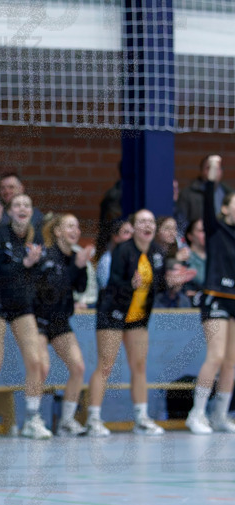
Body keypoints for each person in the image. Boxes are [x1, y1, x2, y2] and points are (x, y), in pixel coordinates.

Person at [86, 209, 194, 436]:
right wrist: (130, 284)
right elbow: (112, 283)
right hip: (113, 313)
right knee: (105, 366)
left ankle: (141, 418)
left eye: (151, 221)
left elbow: (159, 285)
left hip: (138, 317)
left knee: (140, 366)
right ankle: (93, 419)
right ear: (134, 227)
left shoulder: (156, 253)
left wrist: (173, 281)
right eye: (142, 221)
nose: (148, 225)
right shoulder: (123, 251)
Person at [0, 194, 49, 439]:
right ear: (9, 211)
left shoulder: (36, 236)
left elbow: (38, 271)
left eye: (27, 205)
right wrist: (24, 263)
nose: (22, 208)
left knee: (36, 361)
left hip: (21, 303)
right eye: (17, 205)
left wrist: (33, 264)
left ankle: (31, 419)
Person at [186, 156, 235, 434]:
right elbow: (207, 200)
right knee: (215, 356)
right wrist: (213, 176)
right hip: (216, 296)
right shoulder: (216, 229)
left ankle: (219, 415)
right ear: (226, 208)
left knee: (231, 361)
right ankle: (196, 413)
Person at [33, 213, 94, 436]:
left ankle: (66, 421)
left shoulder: (75, 257)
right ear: (57, 231)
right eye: (69, 226)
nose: (75, 230)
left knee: (78, 367)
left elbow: (80, 288)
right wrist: (75, 267)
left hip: (60, 321)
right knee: (41, 367)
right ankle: (34, 418)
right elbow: (52, 288)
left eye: (77, 226)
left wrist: (80, 266)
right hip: (39, 319)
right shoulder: (47, 256)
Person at [176, 155, 233, 231]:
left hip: (223, 237)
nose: (213, 172)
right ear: (202, 171)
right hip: (198, 237)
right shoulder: (188, 194)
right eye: (209, 168)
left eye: (217, 168)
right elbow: (181, 221)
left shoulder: (228, 193)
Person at [95, 217, 134, 289]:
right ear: (115, 237)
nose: (131, 237)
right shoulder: (107, 260)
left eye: (132, 233)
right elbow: (106, 288)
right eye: (126, 232)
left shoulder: (132, 258)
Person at [185, 219, 207, 296]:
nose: (206, 233)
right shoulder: (184, 258)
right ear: (190, 236)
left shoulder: (216, 258)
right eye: (202, 231)